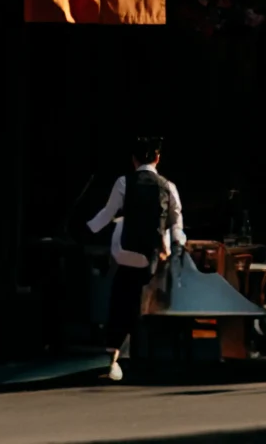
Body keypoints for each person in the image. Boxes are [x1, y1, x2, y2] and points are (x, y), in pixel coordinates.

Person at [87, 135, 184, 383]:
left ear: (133, 160)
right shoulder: (168, 186)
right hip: (154, 258)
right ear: (158, 158)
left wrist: (86, 230)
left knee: (121, 300)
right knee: (151, 304)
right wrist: (177, 246)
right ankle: (154, 357)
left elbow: (107, 215)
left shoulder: (124, 182)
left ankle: (113, 360)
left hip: (127, 253)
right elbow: (176, 224)